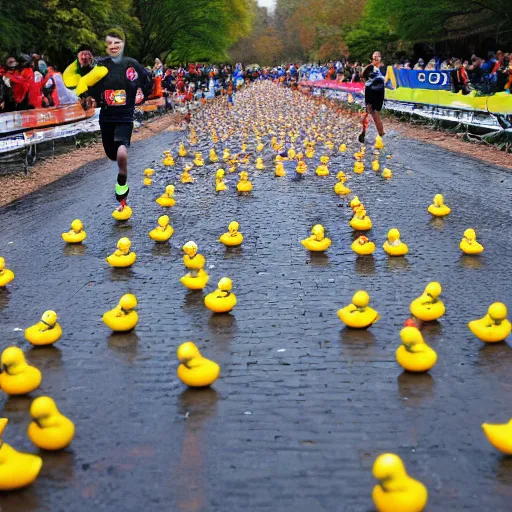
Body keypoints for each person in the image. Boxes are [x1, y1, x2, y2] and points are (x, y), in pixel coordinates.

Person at [74, 28, 152, 210]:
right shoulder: (99, 65)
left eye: (117, 42)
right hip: (106, 117)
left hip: (125, 116)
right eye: (110, 43)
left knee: (122, 153)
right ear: (106, 46)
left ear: (123, 44)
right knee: (112, 154)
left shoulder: (131, 64)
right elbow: (83, 78)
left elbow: (147, 79)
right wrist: (87, 97)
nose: (114, 46)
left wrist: (142, 94)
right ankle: (118, 162)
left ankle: (122, 188)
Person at [358, 51, 386, 144]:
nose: (377, 59)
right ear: (372, 58)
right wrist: (367, 83)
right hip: (371, 90)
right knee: (369, 111)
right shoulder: (369, 67)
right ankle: (364, 132)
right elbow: (362, 76)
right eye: (375, 57)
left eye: (378, 57)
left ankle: (381, 134)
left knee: (375, 113)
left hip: (380, 91)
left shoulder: (384, 67)